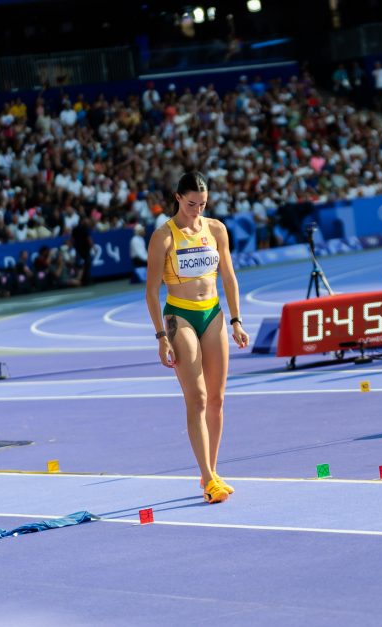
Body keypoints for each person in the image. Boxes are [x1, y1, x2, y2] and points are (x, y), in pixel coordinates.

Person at [145, 171, 249, 505]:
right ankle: (206, 477)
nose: (197, 210)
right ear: (177, 198)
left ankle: (213, 472)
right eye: (191, 204)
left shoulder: (216, 229)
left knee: (217, 400)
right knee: (198, 398)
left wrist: (236, 319)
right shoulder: (164, 236)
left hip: (213, 314)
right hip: (180, 316)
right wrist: (161, 336)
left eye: (202, 204)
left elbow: (229, 276)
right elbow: (150, 291)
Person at [70, 213, 93, 285]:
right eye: (86, 219)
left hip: (78, 249)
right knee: (86, 264)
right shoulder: (85, 228)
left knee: (79, 265)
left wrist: (74, 246)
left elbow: (72, 239)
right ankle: (85, 280)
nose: (87, 221)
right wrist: (92, 246)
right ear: (82, 220)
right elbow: (88, 239)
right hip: (85, 249)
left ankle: (81, 280)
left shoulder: (75, 228)